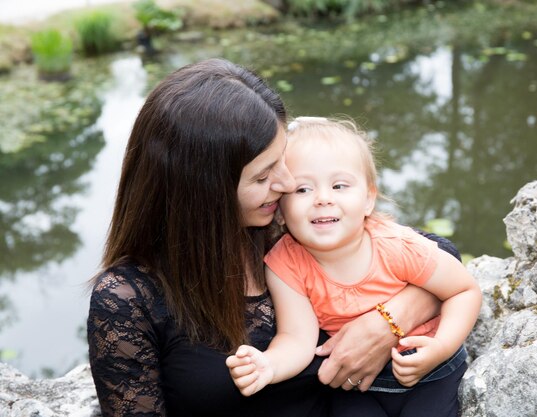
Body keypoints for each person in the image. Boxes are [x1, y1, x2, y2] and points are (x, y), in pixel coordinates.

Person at [86, 59, 447, 417]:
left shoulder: (286, 231)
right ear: (204, 191)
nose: (288, 184)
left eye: (282, 161)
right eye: (262, 177)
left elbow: (439, 251)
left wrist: (384, 324)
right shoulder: (128, 300)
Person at [226, 117, 482, 417]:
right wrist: (268, 365)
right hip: (358, 386)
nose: (323, 199)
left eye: (339, 185)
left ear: (368, 199)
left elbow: (464, 291)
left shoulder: (394, 245)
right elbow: (297, 338)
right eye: (303, 190)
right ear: (280, 211)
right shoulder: (286, 263)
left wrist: (439, 348)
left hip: (430, 374)